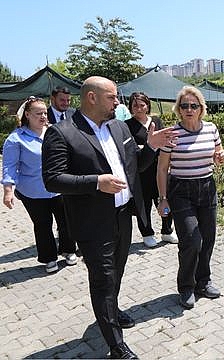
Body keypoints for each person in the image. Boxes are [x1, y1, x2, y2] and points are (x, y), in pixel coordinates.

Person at [41, 76, 177, 359]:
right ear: (92, 98)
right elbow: (53, 179)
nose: (118, 102)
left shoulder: (118, 127)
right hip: (92, 222)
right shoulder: (62, 132)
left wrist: (151, 147)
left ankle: (110, 311)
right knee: (102, 279)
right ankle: (116, 346)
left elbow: (134, 167)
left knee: (116, 272)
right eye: (112, 97)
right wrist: (95, 182)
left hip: (122, 216)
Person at [156, 85, 224, 309]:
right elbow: (162, 169)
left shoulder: (211, 129)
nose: (189, 109)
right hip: (181, 192)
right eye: (184, 105)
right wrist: (162, 198)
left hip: (207, 187)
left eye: (193, 105)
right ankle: (186, 286)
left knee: (208, 238)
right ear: (178, 109)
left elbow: (219, 153)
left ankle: (203, 282)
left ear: (201, 108)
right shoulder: (172, 134)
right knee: (191, 240)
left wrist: (221, 156)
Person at [2, 96, 77, 273]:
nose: (43, 116)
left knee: (66, 220)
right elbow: (9, 166)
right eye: (38, 113)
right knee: (43, 225)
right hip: (33, 191)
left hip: (60, 187)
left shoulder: (55, 131)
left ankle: (68, 250)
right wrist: (8, 191)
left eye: (45, 112)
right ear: (27, 115)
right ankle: (49, 258)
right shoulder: (16, 139)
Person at [125, 92, 177, 248]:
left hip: (160, 168)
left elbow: (164, 140)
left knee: (164, 199)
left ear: (147, 105)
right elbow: (131, 149)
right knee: (144, 205)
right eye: (135, 105)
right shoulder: (127, 125)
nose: (139, 108)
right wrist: (148, 147)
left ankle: (167, 230)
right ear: (130, 108)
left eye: (142, 105)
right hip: (142, 173)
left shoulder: (156, 121)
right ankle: (147, 233)